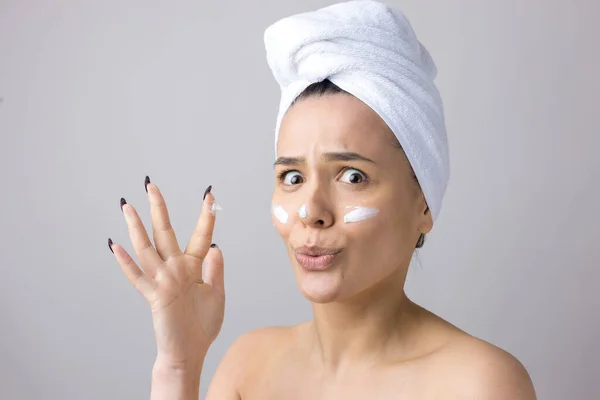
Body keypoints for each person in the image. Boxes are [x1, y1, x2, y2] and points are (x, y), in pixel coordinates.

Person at [108, 1, 537, 399]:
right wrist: (178, 367)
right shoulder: (248, 367)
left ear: (423, 203)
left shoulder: (478, 383)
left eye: (353, 176)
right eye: (292, 177)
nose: (311, 211)